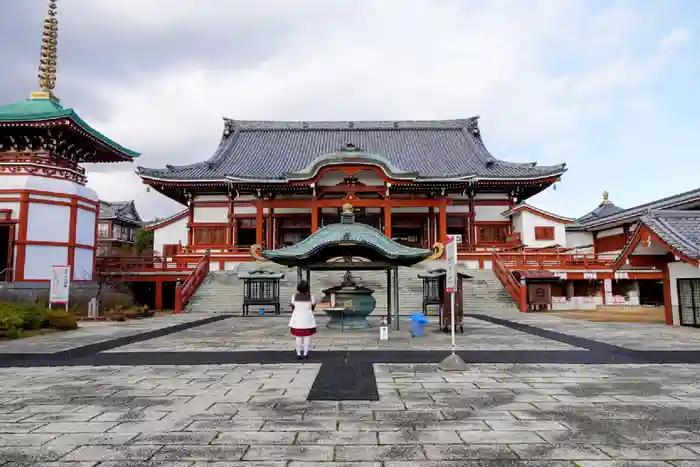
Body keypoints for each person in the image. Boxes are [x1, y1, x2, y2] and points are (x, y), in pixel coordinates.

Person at [289, 280, 316, 360]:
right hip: (307, 319)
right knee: (307, 337)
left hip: (297, 319)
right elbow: (313, 304)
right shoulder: (311, 296)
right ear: (307, 288)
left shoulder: (294, 296)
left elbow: (292, 304)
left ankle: (298, 354)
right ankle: (305, 354)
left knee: (298, 338)